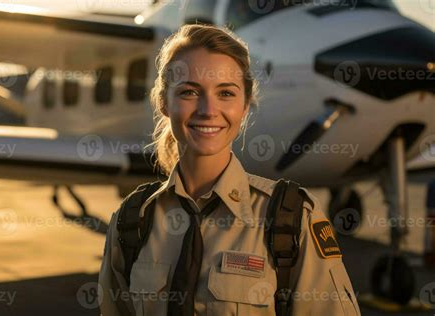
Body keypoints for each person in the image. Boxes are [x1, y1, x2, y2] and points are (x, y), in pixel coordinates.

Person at [98, 24, 361, 316]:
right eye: (189, 92)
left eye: (226, 93)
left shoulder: (291, 218)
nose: (208, 110)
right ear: (163, 103)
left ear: (245, 105)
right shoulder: (130, 220)